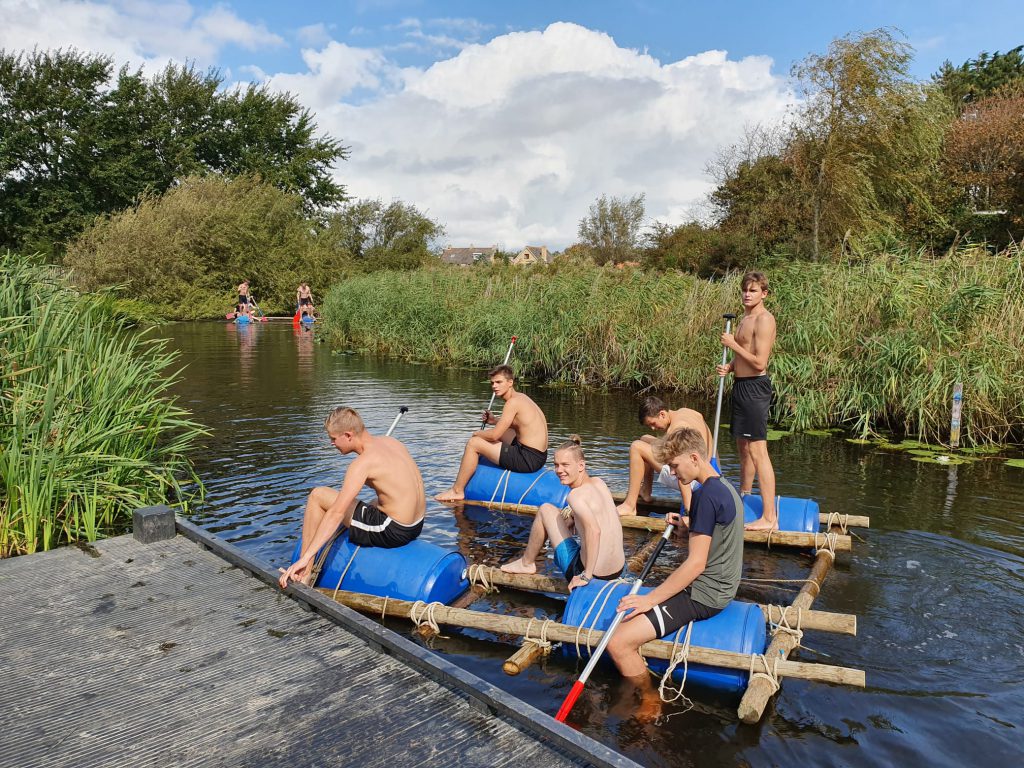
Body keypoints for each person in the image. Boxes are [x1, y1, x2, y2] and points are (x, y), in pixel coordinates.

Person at [607, 427, 744, 722]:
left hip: (705, 595)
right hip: (724, 585)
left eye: (674, 465)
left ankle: (649, 697)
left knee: (618, 643)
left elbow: (696, 565)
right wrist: (688, 525)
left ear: (694, 457)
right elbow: (717, 533)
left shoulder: (705, 496)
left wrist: (650, 601)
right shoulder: (724, 488)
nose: (671, 472)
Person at [278, 407, 426, 588]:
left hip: (394, 531)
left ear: (348, 435)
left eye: (333, 439)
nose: (332, 444)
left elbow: (336, 513)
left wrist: (307, 556)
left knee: (318, 496)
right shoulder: (391, 441)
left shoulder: (362, 464)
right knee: (374, 502)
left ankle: (305, 573)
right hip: (416, 525)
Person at [500, 437, 624, 590]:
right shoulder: (600, 483)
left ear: (581, 466)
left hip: (594, 575)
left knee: (545, 509)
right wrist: (573, 516)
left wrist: (586, 576)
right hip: (618, 571)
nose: (559, 470)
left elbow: (595, 531)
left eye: (565, 465)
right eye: (556, 465)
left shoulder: (575, 496)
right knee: (563, 517)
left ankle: (526, 563)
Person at [716, 271, 778, 530]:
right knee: (743, 448)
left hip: (755, 388)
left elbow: (760, 361)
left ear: (763, 293)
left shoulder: (764, 319)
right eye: (745, 289)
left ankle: (769, 517)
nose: (747, 294)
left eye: (753, 290)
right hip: (741, 386)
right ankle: (745, 495)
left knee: (757, 450)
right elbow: (745, 356)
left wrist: (732, 345)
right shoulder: (745, 318)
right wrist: (730, 366)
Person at [434, 365, 548, 502]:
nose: (494, 386)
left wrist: (477, 433)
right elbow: (519, 424)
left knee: (473, 443)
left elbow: (494, 436)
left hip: (528, 460)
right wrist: (494, 421)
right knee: (502, 433)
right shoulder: (521, 397)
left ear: (510, 382)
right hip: (539, 455)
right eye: (492, 383)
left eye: (499, 382)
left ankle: (457, 491)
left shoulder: (512, 403)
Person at [615, 396, 714, 518]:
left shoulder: (676, 430)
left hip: (695, 479)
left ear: (662, 414)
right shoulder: (687, 413)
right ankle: (646, 490)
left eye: (653, 423)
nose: (653, 428)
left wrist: (688, 511)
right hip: (711, 469)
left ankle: (630, 506)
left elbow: (682, 467)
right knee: (644, 439)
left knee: (636, 447)